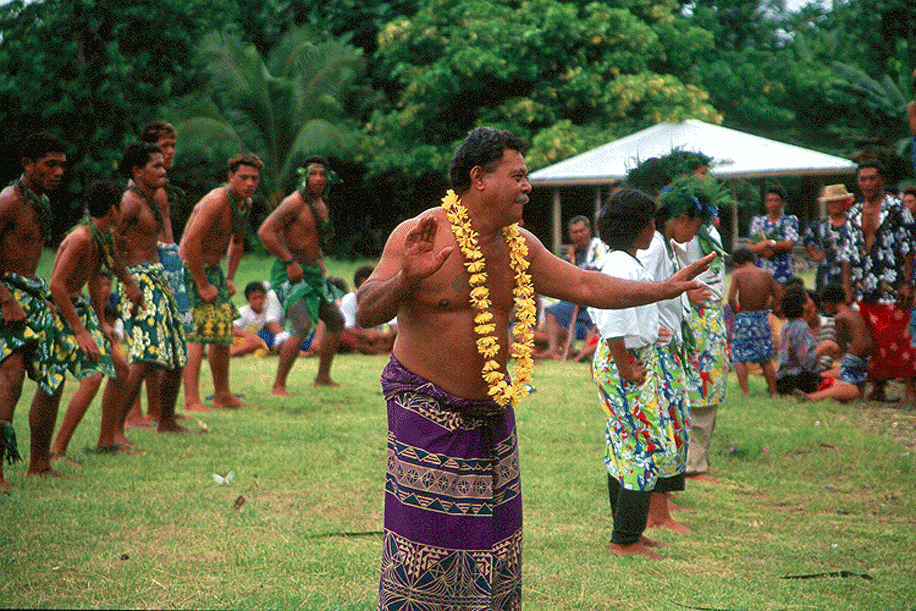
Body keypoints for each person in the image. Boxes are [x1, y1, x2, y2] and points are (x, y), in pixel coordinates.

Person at [356, 127, 713, 608]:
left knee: (495, 542)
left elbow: (586, 286)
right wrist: (406, 277)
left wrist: (661, 289)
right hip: (425, 408)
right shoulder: (419, 232)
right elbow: (366, 311)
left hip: (492, 413)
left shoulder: (519, 244)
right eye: (518, 175)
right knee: (426, 540)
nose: (528, 186)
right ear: (479, 178)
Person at [588, 189, 672, 559]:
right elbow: (615, 320)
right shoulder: (621, 265)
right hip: (625, 360)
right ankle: (625, 539)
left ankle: (628, 530)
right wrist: (625, 365)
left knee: (625, 444)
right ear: (641, 227)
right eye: (650, 221)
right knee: (641, 446)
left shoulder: (624, 262)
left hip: (629, 356)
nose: (654, 226)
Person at [49, 181, 143, 463]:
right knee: (92, 378)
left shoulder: (102, 236)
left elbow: (96, 275)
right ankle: (57, 450)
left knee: (121, 371)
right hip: (63, 309)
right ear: (114, 209)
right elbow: (56, 286)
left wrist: (101, 321)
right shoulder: (81, 238)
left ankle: (105, 440)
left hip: (82, 310)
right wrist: (81, 331)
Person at [102, 142, 188, 448]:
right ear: (138, 171)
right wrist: (127, 281)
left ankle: (166, 421)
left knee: (177, 352)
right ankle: (113, 431)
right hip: (138, 282)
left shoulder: (149, 199)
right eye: (156, 166)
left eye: (164, 165)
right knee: (146, 354)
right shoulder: (129, 202)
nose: (164, 171)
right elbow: (107, 241)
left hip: (157, 278)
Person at [0, 132, 69, 487]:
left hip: (31, 296)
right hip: (6, 299)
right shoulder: (9, 200)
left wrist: (41, 299)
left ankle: (39, 463)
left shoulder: (40, 200)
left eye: (61, 165)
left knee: (53, 376)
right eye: (50, 164)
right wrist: (7, 300)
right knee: (9, 378)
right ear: (27, 164)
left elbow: (28, 259)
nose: (58, 171)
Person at [256, 156, 345, 394]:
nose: (318, 178)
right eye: (313, 174)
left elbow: (314, 238)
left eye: (322, 174)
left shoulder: (320, 204)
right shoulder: (293, 202)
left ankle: (323, 377)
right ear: (303, 176)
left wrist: (320, 259)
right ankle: (278, 385)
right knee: (302, 324)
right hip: (289, 273)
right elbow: (265, 232)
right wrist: (289, 261)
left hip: (313, 273)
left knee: (337, 319)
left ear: (328, 178)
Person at [180, 154, 261, 411]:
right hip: (191, 269)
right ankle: (192, 399)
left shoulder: (244, 204)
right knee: (198, 333)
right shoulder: (215, 201)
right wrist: (202, 284)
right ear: (230, 178)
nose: (249, 183)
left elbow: (237, 241)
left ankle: (222, 394)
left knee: (222, 332)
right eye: (243, 177)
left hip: (213, 271)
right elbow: (191, 241)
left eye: (254, 179)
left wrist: (228, 277)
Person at [128, 121, 192, 427]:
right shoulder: (134, 198)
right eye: (163, 147)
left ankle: (161, 413)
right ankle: (134, 415)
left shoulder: (157, 191)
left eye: (172, 146)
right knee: (148, 347)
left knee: (171, 344)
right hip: (148, 272)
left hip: (165, 266)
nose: (170, 153)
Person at [843, 160, 916, 403]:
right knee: (871, 339)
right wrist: (847, 286)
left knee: (898, 336)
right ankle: (879, 388)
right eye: (862, 179)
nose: (867, 183)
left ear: (882, 180)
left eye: (872, 178)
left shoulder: (897, 209)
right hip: (864, 283)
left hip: (892, 281)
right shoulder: (853, 211)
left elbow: (908, 248)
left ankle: (910, 391)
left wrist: (907, 282)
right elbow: (848, 252)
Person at [538, 215, 607, 359]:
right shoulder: (573, 253)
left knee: (598, 320)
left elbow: (593, 274)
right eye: (575, 232)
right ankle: (553, 350)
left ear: (589, 231)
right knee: (551, 311)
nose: (579, 235)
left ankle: (583, 354)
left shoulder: (597, 246)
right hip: (576, 300)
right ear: (570, 235)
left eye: (582, 231)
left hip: (595, 300)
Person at [795, 284, 871, 402]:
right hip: (866, 353)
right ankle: (859, 398)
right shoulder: (855, 312)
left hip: (853, 353)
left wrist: (840, 353)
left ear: (829, 304)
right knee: (859, 375)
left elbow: (841, 338)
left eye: (825, 306)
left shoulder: (839, 317)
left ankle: (844, 397)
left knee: (846, 378)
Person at [728, 248, 781, 396]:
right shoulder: (765, 274)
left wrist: (736, 311)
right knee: (765, 358)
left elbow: (731, 298)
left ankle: (745, 392)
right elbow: (778, 294)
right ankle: (773, 391)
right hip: (762, 317)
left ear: (737, 263)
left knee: (739, 357)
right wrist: (768, 307)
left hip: (744, 316)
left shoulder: (737, 273)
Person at [775, 285, 833, 395]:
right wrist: (826, 346)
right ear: (803, 305)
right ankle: (811, 396)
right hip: (801, 379)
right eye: (808, 298)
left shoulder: (787, 325)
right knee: (850, 389)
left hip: (783, 378)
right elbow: (805, 360)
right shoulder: (801, 326)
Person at [802, 184, 857, 294]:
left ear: (844, 202)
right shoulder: (820, 224)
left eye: (837, 201)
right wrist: (814, 255)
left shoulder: (854, 222)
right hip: (826, 276)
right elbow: (807, 240)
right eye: (830, 202)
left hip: (851, 274)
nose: (833, 205)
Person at [339, 265, 396, 354]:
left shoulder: (385, 298)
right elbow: (347, 327)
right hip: (360, 337)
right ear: (358, 286)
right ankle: (374, 350)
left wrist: (385, 336)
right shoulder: (350, 299)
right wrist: (365, 334)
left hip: (380, 338)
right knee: (343, 336)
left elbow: (395, 326)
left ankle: (374, 349)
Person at [748, 186, 798, 284]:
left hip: (783, 271)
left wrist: (769, 243)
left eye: (776, 200)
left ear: (783, 203)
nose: (773, 203)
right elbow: (750, 246)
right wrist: (763, 248)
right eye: (770, 200)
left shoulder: (789, 221)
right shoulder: (757, 222)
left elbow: (789, 244)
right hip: (761, 270)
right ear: (766, 203)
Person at [231, 281, 290, 356]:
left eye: (261, 297)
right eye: (254, 298)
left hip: (257, 340)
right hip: (240, 340)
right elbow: (232, 328)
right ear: (248, 300)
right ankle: (229, 354)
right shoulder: (243, 312)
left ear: (265, 297)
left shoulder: (267, 312)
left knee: (264, 345)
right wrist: (249, 336)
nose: (258, 301)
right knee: (256, 342)